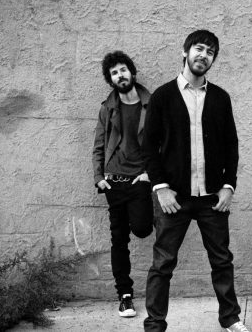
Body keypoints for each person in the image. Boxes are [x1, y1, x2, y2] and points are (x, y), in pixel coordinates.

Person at [142, 30, 249, 332]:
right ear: (185, 52)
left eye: (210, 52)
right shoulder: (163, 96)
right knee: (163, 264)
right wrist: (161, 188)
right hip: (174, 197)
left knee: (222, 261)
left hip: (212, 197)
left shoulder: (220, 98)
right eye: (199, 49)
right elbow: (149, 146)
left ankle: (230, 319)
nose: (204, 55)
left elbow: (231, 145)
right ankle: (154, 325)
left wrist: (228, 186)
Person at [92, 51, 154, 318]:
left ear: (132, 72)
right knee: (119, 239)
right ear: (111, 80)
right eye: (114, 73)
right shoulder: (107, 108)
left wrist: (151, 175)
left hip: (140, 179)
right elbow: (98, 145)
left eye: (123, 70)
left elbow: (163, 143)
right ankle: (125, 296)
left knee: (142, 228)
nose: (120, 75)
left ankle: (141, 214)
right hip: (114, 182)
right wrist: (99, 178)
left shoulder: (152, 104)